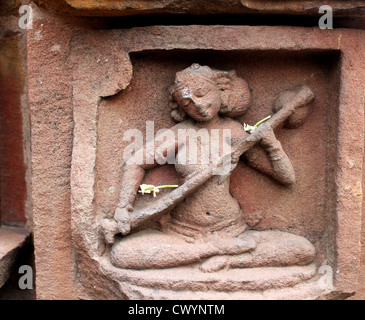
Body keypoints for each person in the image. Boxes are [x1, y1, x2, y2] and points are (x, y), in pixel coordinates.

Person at [104, 64, 313, 272]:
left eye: (202, 94)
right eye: (187, 104)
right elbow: (136, 162)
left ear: (220, 92)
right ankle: (212, 251)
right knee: (123, 255)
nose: (199, 106)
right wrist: (123, 207)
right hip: (184, 232)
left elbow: (286, 177)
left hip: (231, 229)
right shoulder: (180, 133)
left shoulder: (234, 133)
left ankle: (230, 260)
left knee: (303, 250)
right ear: (181, 109)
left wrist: (272, 144)